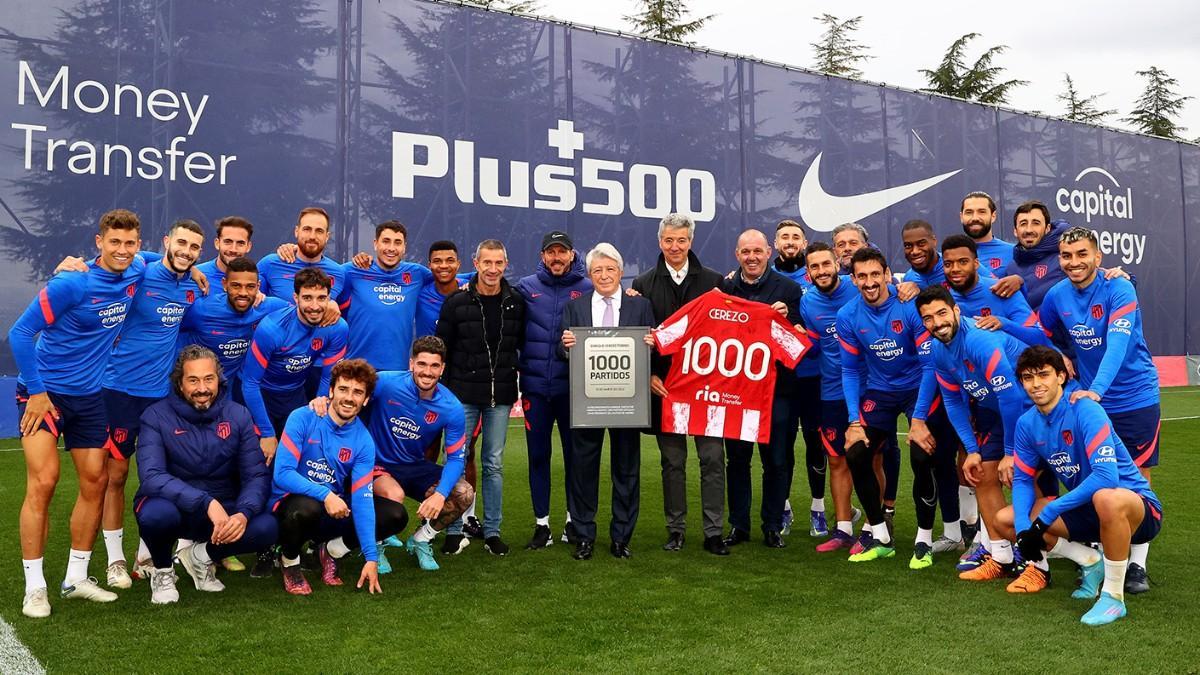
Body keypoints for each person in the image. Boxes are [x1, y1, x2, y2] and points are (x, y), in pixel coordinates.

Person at [9, 209, 146, 617]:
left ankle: (76, 578)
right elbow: (19, 332)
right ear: (98, 242)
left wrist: (192, 273)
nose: (123, 250)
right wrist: (35, 391)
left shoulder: (138, 267)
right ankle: (35, 587)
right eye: (114, 242)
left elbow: (161, 258)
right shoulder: (73, 283)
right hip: (45, 396)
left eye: (130, 243)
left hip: (90, 398)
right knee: (45, 481)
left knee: (96, 481)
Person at [992, 346, 1162, 625]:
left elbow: (1106, 477)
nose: (1036, 385)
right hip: (1089, 509)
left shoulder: (1084, 409)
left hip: (1136, 509)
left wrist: (1047, 515)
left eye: (1043, 375)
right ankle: (1089, 561)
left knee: (1106, 498)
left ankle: (1113, 597)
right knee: (1006, 520)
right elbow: (1022, 479)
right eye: (1027, 378)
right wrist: (1024, 529)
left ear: (1061, 376)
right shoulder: (1026, 423)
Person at [1038, 227, 1161, 593]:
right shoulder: (1056, 294)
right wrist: (1058, 354)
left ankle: (1136, 565)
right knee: (1094, 472)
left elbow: (1117, 344)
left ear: (1097, 256)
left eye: (1081, 254)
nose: (1074, 262)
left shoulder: (1120, 287)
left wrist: (1096, 391)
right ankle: (1098, 553)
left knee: (1134, 477)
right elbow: (1041, 331)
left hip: (1134, 397)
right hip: (1092, 398)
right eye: (1067, 255)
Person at [97, 220, 205, 587]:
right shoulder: (140, 270)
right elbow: (117, 257)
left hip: (159, 397)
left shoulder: (192, 284)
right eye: (181, 243)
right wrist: (74, 263)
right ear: (166, 242)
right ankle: (115, 560)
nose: (186, 251)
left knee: (159, 476)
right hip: (117, 391)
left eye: (194, 247)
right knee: (115, 475)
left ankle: (146, 555)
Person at [836, 247, 953, 568]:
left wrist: (918, 419)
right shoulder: (847, 316)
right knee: (856, 451)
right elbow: (848, 369)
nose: (870, 282)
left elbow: (930, 365)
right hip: (880, 391)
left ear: (888, 274)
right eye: (862, 276)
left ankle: (924, 539)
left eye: (876, 274)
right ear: (853, 279)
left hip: (919, 388)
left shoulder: (909, 306)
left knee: (921, 453)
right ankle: (880, 535)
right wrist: (852, 421)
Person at [133, 346, 277, 604]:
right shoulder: (155, 416)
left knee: (267, 527)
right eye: (193, 380)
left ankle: (200, 556)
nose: (202, 388)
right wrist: (206, 502)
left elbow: (255, 475)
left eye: (208, 379)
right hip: (175, 506)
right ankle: (163, 570)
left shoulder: (238, 415)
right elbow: (152, 476)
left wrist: (243, 513)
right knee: (156, 514)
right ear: (179, 383)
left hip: (223, 509)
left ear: (219, 380)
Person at [914, 286, 1031, 581]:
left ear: (955, 310)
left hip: (1034, 409)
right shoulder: (939, 350)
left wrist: (1010, 453)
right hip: (998, 411)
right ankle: (1002, 556)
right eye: (928, 318)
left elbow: (1012, 398)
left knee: (1032, 479)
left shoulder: (979, 339)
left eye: (941, 313)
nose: (937, 323)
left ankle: (1060, 554)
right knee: (980, 473)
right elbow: (953, 402)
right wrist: (972, 449)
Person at [239, 267, 349, 576]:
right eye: (308, 298)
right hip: (260, 402)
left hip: (296, 401)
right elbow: (250, 384)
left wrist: (319, 402)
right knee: (262, 473)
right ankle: (265, 547)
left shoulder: (336, 327)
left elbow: (330, 374)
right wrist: (266, 432)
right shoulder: (272, 328)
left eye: (322, 298)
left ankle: (302, 540)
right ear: (295, 297)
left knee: (302, 471)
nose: (315, 305)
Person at [632, 214, 727, 555]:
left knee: (713, 459)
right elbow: (638, 337)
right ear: (660, 242)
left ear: (691, 242)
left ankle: (714, 531)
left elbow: (730, 335)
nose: (675, 247)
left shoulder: (716, 282)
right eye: (669, 240)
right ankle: (676, 530)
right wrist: (649, 375)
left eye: (681, 240)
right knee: (672, 464)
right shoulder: (642, 283)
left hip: (707, 390)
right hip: (665, 390)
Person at [270, 359, 406, 595]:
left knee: (395, 514)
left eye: (357, 392)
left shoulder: (363, 441)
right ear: (331, 391)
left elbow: (363, 499)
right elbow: (282, 474)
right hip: (293, 504)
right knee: (305, 508)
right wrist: (326, 494)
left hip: (332, 507)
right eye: (343, 389)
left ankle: (332, 551)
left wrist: (371, 557)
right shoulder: (302, 417)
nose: (349, 397)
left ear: (365, 400)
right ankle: (289, 561)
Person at [558, 244, 655, 559]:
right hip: (588, 400)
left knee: (626, 469)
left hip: (629, 401)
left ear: (621, 272)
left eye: (610, 269)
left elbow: (651, 349)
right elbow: (564, 350)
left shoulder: (641, 306)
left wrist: (652, 345)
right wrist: (566, 345)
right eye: (597, 270)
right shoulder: (576, 307)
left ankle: (621, 537)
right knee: (583, 469)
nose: (604, 275)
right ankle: (584, 534)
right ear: (589, 274)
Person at [437, 239, 526, 556]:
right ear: (475, 263)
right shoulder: (456, 302)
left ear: (505, 264)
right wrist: (444, 395)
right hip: (461, 396)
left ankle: (492, 531)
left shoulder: (516, 301)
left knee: (494, 464)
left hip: (500, 397)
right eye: (486, 262)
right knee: (455, 463)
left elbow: (524, 345)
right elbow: (441, 350)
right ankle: (454, 529)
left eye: (498, 263)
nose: (492, 269)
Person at [719, 230, 804, 549]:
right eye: (745, 252)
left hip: (777, 389)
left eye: (757, 251)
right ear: (737, 254)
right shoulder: (725, 288)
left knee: (776, 460)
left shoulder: (790, 289)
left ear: (769, 252)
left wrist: (784, 321)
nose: (752, 257)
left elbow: (796, 341)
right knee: (737, 460)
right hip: (737, 391)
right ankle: (739, 525)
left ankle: (771, 525)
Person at [363, 337, 474, 570]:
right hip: (377, 462)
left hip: (413, 465)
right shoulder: (385, 383)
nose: (427, 372)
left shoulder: (451, 407)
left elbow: (455, 458)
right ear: (411, 363)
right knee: (394, 495)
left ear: (442, 368)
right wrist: (323, 400)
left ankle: (421, 539)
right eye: (422, 364)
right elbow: (351, 399)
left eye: (434, 366)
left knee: (464, 493)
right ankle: (376, 545)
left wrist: (440, 494)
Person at [514, 230, 591, 549]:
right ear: (542, 256)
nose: (556, 257)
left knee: (576, 458)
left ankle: (573, 522)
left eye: (562, 252)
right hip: (535, 389)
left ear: (573, 255)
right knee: (539, 456)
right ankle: (542, 524)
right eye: (551, 252)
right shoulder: (526, 287)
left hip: (573, 391)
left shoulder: (588, 288)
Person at [798, 242, 863, 552]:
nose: (822, 271)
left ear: (838, 262)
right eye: (815, 267)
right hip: (832, 391)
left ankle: (875, 528)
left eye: (826, 264)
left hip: (869, 387)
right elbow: (813, 343)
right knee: (836, 459)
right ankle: (843, 529)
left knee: (869, 457)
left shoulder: (859, 286)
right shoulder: (808, 303)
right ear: (808, 273)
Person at [769, 220, 825, 538]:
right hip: (782, 378)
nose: (790, 242)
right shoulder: (766, 278)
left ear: (804, 243)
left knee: (816, 444)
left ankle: (818, 509)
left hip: (815, 375)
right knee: (784, 445)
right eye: (784, 237)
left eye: (796, 237)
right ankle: (785, 507)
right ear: (775, 244)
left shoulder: (817, 273)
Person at [178, 257, 292, 404]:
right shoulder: (202, 309)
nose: (243, 293)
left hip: (230, 388)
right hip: (192, 385)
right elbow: (173, 330)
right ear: (224, 284)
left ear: (258, 286)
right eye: (236, 286)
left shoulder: (268, 307)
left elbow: (302, 311)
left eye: (250, 287)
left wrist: (330, 306)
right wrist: (190, 268)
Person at [335, 220, 432, 370]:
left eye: (397, 243)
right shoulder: (355, 270)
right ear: (375, 244)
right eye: (386, 241)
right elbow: (319, 276)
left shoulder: (417, 273)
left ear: (404, 247)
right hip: (356, 368)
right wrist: (294, 251)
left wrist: (468, 283)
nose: (391, 248)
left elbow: (448, 278)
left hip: (397, 370)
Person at [941, 235, 1052, 347]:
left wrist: (1003, 323)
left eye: (963, 262)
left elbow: (1039, 338)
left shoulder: (1003, 289)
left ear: (976, 264)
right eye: (948, 264)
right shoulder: (944, 301)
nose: (955, 269)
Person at [256, 207, 346, 300]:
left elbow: (343, 311)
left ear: (327, 236)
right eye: (307, 229)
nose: (312, 236)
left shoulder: (339, 273)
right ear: (296, 231)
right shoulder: (270, 264)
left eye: (319, 231)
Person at [415, 240, 464, 339]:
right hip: (428, 353)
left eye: (450, 261)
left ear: (458, 264)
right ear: (429, 265)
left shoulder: (471, 289)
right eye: (437, 261)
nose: (444, 266)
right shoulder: (418, 295)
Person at [959, 191, 1014, 277]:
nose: (975, 218)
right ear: (961, 217)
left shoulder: (1013, 252)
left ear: (993, 216)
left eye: (982, 212)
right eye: (969, 212)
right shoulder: (951, 254)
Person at [194, 216, 254, 287]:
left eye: (240, 243)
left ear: (248, 247)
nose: (233, 249)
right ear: (217, 243)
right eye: (228, 242)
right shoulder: (196, 275)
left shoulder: (256, 282)